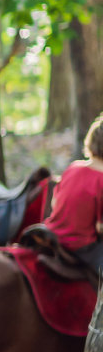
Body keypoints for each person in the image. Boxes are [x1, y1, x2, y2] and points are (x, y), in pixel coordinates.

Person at [42, 113, 103, 268]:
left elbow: (55, 203)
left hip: (52, 236)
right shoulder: (101, 179)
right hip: (79, 247)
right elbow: (100, 227)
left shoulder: (73, 167)